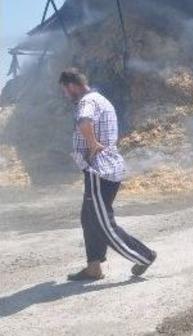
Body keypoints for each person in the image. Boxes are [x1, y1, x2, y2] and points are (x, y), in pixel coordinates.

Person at [59, 68, 156, 281]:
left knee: (103, 224)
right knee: (89, 219)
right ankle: (94, 267)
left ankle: (144, 256)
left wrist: (92, 144)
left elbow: (85, 122)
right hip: (102, 169)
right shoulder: (100, 99)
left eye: (65, 91)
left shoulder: (87, 102)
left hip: (99, 170)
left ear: (71, 86)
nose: (65, 96)